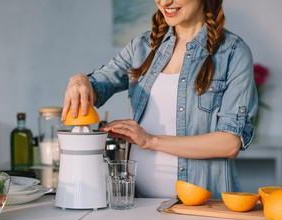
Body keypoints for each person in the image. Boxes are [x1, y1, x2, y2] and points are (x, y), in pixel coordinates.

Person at [61, 0, 258, 199]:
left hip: (203, 209)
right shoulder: (142, 46)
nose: (164, 2)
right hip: (139, 207)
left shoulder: (233, 53)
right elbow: (97, 86)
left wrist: (150, 140)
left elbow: (229, 143)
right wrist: (80, 80)